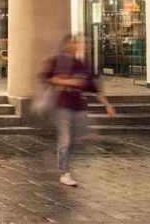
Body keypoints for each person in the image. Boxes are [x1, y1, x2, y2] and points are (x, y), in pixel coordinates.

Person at [42, 34, 115, 187]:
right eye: (74, 43)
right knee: (66, 138)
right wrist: (70, 82)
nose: (78, 45)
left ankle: (61, 157)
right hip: (61, 105)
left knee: (85, 136)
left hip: (78, 106)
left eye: (80, 43)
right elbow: (47, 78)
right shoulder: (57, 61)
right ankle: (64, 172)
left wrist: (107, 105)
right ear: (67, 45)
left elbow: (95, 88)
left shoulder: (83, 64)